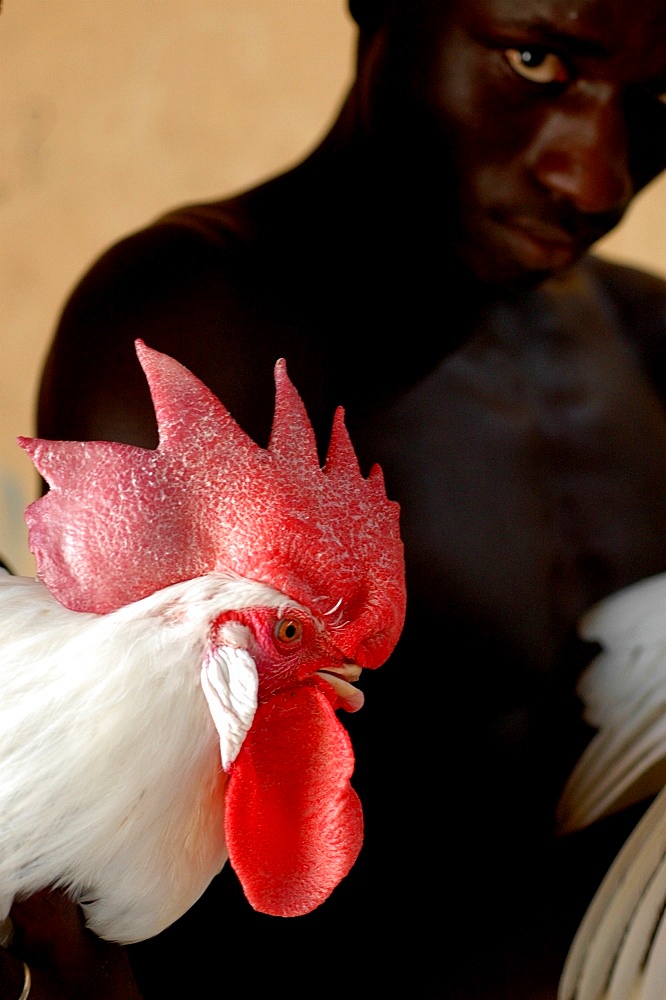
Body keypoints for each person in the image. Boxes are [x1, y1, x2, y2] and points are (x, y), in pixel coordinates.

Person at [5, 0, 666, 996]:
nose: (597, 177)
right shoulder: (194, 323)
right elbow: (135, 918)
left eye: (660, 98)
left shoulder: (652, 337)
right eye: (535, 60)